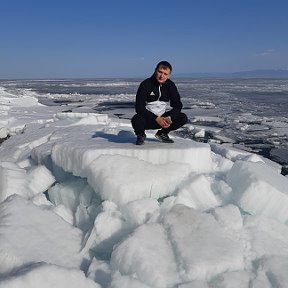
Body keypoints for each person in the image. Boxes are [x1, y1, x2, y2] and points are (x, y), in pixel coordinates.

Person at [131, 61, 188, 145]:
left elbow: (178, 105)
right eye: (160, 72)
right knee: (136, 119)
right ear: (155, 70)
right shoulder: (146, 84)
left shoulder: (170, 85)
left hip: (164, 119)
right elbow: (139, 107)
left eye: (165, 74)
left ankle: (162, 133)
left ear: (169, 75)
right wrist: (156, 118)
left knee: (182, 117)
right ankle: (141, 135)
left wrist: (170, 118)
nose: (162, 76)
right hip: (148, 119)